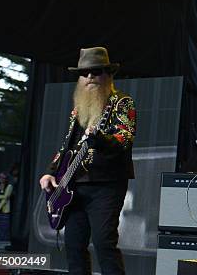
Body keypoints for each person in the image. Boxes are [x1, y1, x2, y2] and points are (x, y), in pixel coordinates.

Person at [39, 47, 135, 275]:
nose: (89, 77)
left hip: (106, 185)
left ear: (108, 74)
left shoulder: (122, 102)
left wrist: (99, 138)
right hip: (74, 187)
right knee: (74, 246)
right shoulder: (78, 110)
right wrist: (50, 171)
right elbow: (67, 146)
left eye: (96, 71)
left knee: (104, 244)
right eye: (84, 73)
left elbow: (124, 139)